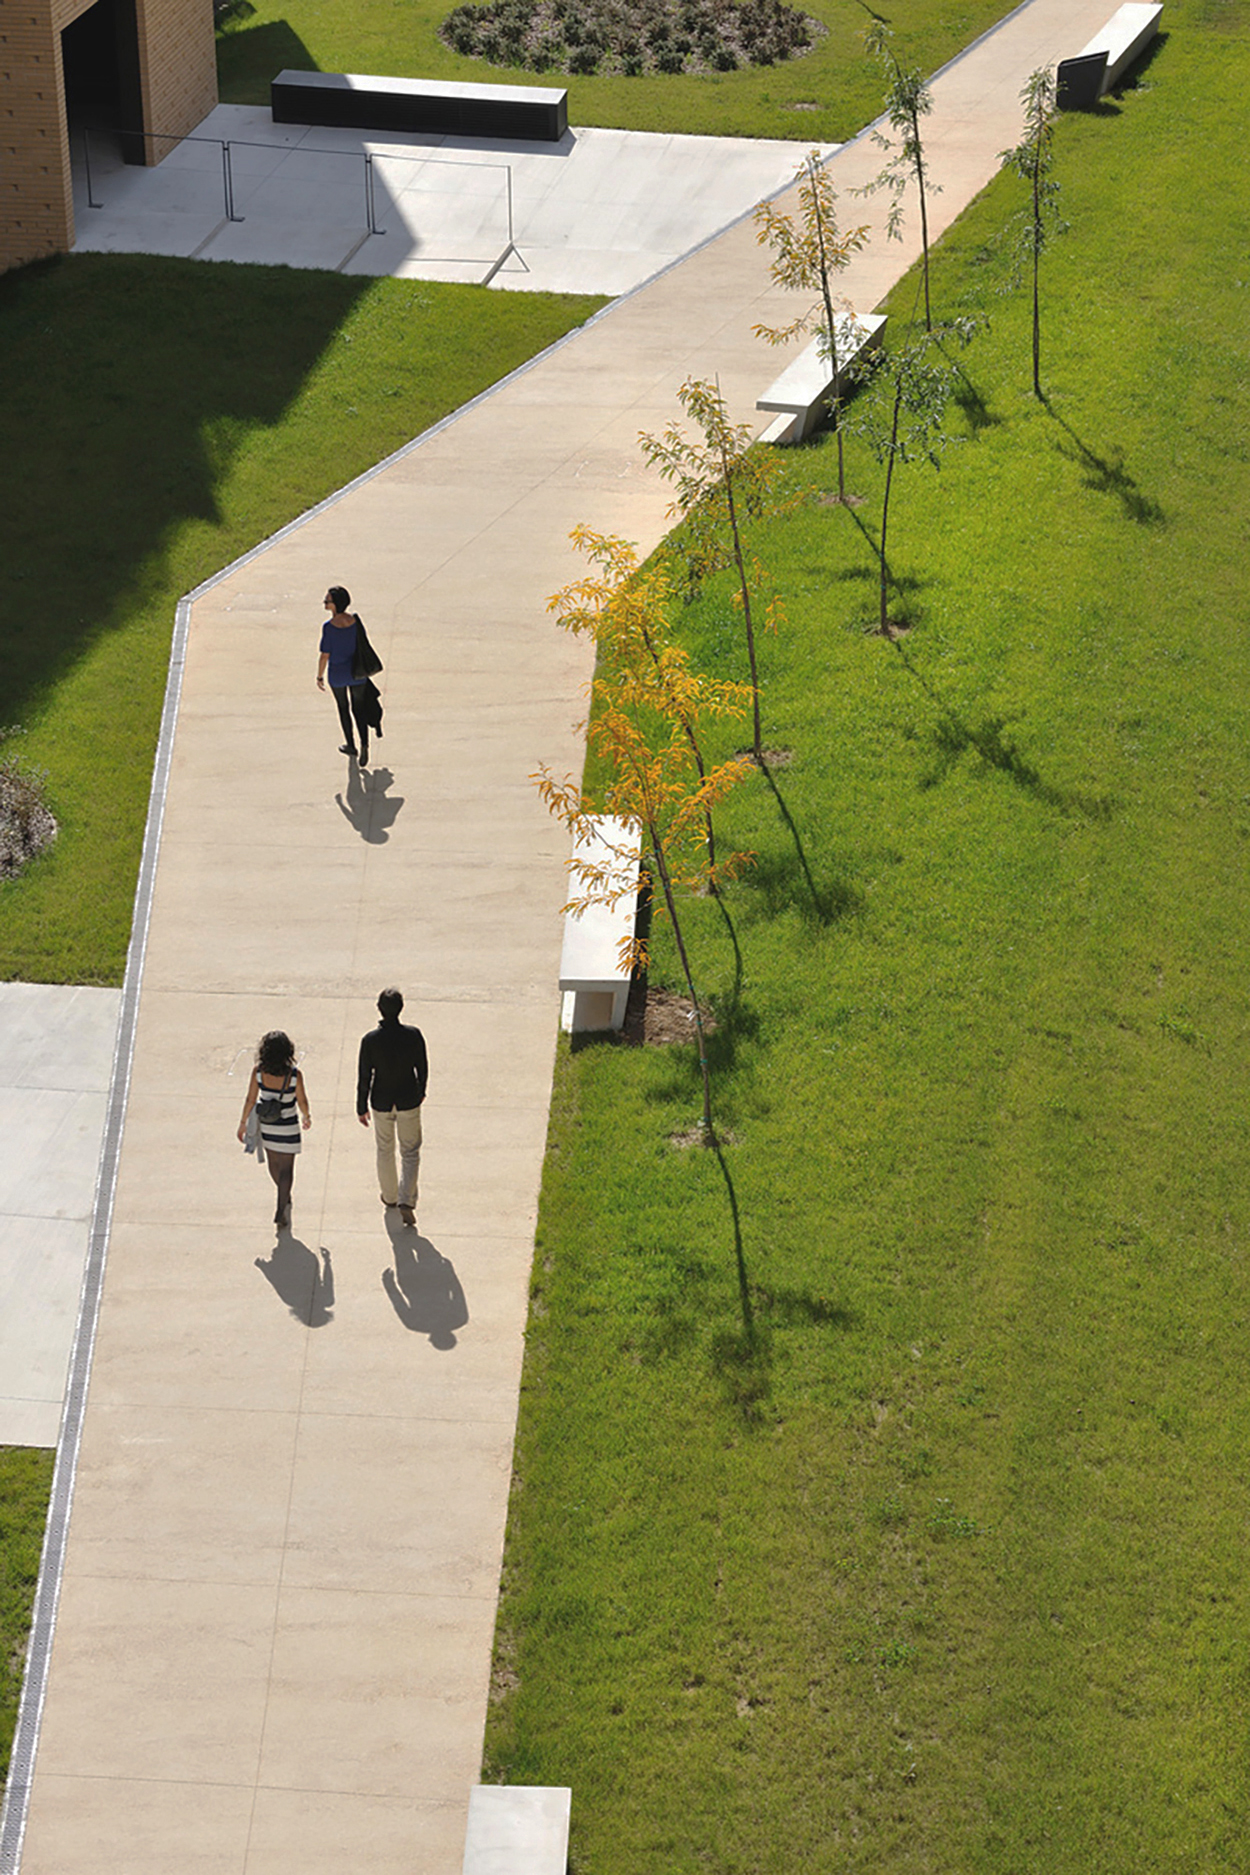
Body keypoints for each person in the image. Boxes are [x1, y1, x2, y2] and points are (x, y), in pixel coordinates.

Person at [357, 988, 428, 1229]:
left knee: (384, 1149)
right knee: (410, 1151)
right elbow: (422, 1067)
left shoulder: (370, 1040)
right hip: (408, 1099)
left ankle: (390, 1197)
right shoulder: (414, 1035)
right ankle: (406, 1199)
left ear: (379, 1008)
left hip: (381, 1101)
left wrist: (361, 1106)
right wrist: (420, 1092)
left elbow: (364, 1075)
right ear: (401, 1008)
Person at [237, 1030, 311, 1229]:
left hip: (268, 1127)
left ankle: (283, 1196)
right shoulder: (295, 1075)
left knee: (274, 1164)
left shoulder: (258, 1072)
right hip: (288, 1127)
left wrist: (243, 1122)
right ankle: (281, 1205)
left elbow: (250, 1099)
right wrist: (307, 1116)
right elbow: (302, 1100)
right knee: (287, 1168)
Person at [316, 585, 371, 765]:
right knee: (359, 709)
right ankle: (364, 743)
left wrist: (319, 676)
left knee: (343, 708)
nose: (324, 603)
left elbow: (325, 655)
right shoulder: (355, 621)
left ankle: (351, 745)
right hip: (358, 672)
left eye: (327, 601)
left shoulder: (329, 628)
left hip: (338, 674)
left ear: (335, 604)